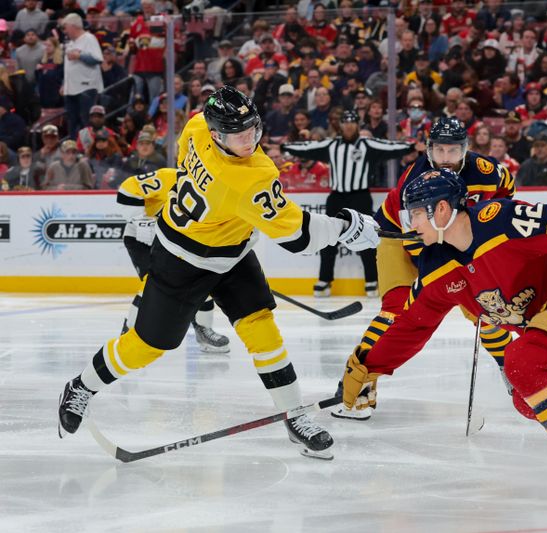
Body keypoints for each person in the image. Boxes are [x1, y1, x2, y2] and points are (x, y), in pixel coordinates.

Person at [57, 86, 381, 460]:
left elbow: (196, 174)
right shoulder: (247, 176)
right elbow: (299, 237)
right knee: (149, 344)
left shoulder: (196, 126)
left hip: (230, 252)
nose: (250, 139)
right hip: (181, 261)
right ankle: (81, 386)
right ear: (217, 134)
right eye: (239, 134)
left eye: (253, 129)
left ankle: (294, 413)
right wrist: (346, 226)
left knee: (261, 326)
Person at [339, 169, 547, 507]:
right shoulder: (436, 265)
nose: (410, 224)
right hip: (545, 313)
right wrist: (369, 364)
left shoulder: (500, 219)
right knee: (525, 396)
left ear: (441, 209)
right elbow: (412, 323)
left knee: (524, 363)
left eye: (414, 213)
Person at [330, 117, 517, 420]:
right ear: (429, 149)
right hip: (402, 238)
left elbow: (506, 192)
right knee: (395, 311)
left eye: (453, 151)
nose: (446, 158)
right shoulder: (414, 179)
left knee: (488, 307)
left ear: (465, 149)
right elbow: (419, 245)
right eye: (440, 151)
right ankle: (360, 381)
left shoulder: (486, 170)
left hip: (450, 239)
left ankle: (510, 368)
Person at [281, 110, 416, 297]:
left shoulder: (367, 144)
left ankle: (371, 280)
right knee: (328, 238)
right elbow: (308, 147)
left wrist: (410, 146)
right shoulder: (332, 145)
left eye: (352, 122)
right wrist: (286, 147)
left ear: (357, 125)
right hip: (336, 197)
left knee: (366, 236)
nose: (349, 125)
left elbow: (390, 147)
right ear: (341, 125)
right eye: (345, 122)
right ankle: (325, 280)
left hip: (360, 197)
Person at [116, 168, 231, 352]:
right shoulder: (168, 176)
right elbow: (128, 188)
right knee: (151, 283)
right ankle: (128, 334)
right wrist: (140, 219)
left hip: (178, 243)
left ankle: (204, 332)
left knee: (203, 283)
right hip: (143, 239)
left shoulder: (216, 189)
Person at [61, 13, 103, 138]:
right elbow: (69, 68)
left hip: (86, 88)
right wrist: (65, 83)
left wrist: (80, 56)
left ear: (73, 26)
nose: (64, 31)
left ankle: (89, 151)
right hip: (71, 89)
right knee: (72, 124)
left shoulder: (89, 38)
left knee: (87, 123)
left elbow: (97, 59)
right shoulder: (71, 43)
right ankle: (73, 152)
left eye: (66, 27)